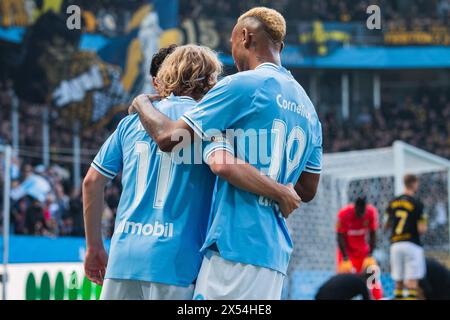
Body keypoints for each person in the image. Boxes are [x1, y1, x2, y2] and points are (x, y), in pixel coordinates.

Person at [129, 7, 322, 299]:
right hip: (274, 254)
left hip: (236, 247)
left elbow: (169, 138)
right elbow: (307, 189)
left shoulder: (241, 85)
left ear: (244, 37)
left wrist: (142, 103)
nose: (232, 53)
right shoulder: (309, 109)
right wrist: (278, 185)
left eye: (231, 43)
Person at [83, 45, 300, 300]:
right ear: (211, 81)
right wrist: (279, 191)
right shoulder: (209, 125)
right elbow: (225, 165)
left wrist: (94, 247)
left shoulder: (130, 123)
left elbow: (92, 181)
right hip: (176, 263)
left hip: (123, 261)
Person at [385, 174, 427, 300]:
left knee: (398, 280)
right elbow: (422, 229)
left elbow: (386, 224)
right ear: (414, 183)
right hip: (411, 244)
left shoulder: (392, 202)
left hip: (395, 244)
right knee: (412, 281)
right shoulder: (418, 204)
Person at [336, 196, 383, 299]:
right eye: (359, 213)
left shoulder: (371, 212)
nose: (361, 216)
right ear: (355, 208)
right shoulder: (344, 214)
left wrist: (370, 255)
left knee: (373, 276)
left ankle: (378, 298)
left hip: (363, 252)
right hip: (347, 253)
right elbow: (339, 236)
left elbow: (373, 234)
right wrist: (345, 258)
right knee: (343, 281)